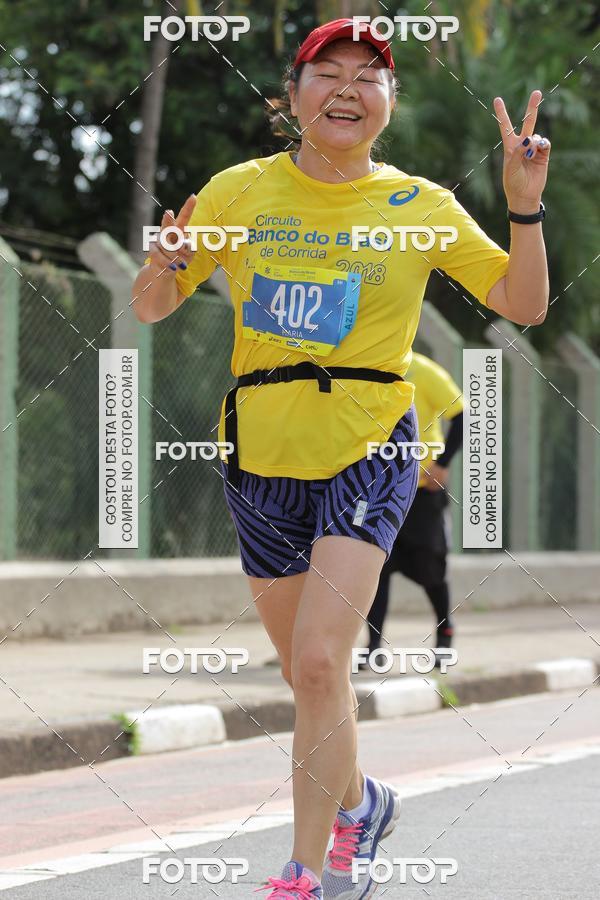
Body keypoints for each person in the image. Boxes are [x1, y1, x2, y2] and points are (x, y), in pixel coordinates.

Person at [132, 17, 551, 899]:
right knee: (306, 676)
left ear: (389, 105)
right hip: (261, 447)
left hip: (371, 443)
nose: (349, 88)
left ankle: (306, 871)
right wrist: (166, 266)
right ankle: (361, 802)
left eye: (372, 75)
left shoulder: (419, 205)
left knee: (325, 664)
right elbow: (150, 308)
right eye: (329, 72)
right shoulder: (240, 191)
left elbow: (524, 300)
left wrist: (522, 204)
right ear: (293, 97)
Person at [364, 352, 463, 670]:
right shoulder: (364, 368)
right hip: (380, 488)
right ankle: (373, 645)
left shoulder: (423, 370)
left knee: (432, 567)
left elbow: (462, 415)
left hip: (422, 491)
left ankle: (444, 634)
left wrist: (443, 465)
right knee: (375, 569)